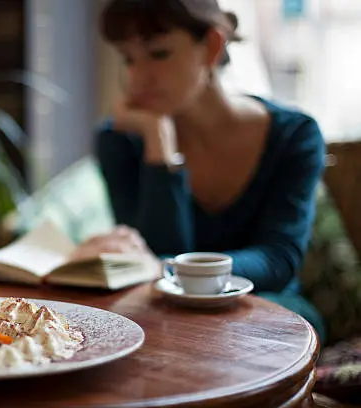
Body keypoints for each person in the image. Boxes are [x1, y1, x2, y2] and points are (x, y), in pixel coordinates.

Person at [78, 0, 326, 341]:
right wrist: (159, 145)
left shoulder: (295, 136)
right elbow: (157, 249)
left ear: (211, 46)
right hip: (168, 313)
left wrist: (170, 268)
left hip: (268, 307)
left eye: (159, 53)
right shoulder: (120, 140)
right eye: (128, 59)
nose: (136, 78)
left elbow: (279, 260)